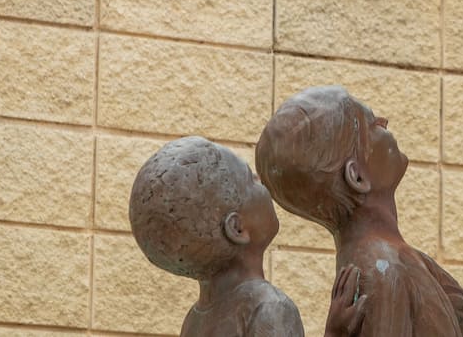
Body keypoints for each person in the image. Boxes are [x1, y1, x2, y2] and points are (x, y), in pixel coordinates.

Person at [255, 86, 463, 337]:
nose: (384, 121)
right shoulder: (380, 269)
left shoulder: (405, 260)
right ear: (357, 176)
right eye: (371, 124)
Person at [129, 136, 366, 337]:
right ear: (237, 228)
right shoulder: (270, 307)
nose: (262, 182)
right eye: (251, 179)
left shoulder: (194, 321)